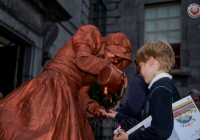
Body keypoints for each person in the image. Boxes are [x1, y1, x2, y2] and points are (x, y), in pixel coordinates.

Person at [0, 24, 132, 140]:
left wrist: (96, 109)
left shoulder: (96, 67)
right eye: (115, 55)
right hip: (53, 86)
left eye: (120, 60)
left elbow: (81, 95)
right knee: (38, 130)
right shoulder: (91, 33)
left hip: (69, 98)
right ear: (108, 45)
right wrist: (109, 66)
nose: (115, 61)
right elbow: (82, 60)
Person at [101, 40, 181, 140]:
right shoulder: (162, 86)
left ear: (151, 61)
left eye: (141, 65)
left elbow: (160, 132)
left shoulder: (161, 87)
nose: (140, 71)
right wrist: (119, 117)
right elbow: (146, 125)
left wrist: (129, 137)